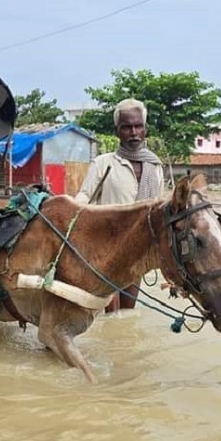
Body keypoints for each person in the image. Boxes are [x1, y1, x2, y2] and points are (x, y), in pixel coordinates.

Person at [75, 98, 165, 312]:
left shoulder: (155, 166)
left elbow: (158, 211)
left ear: (145, 130)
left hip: (137, 252)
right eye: (126, 127)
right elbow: (84, 197)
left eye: (138, 126)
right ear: (118, 131)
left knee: (127, 314)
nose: (133, 132)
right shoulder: (103, 164)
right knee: (110, 313)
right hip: (107, 252)